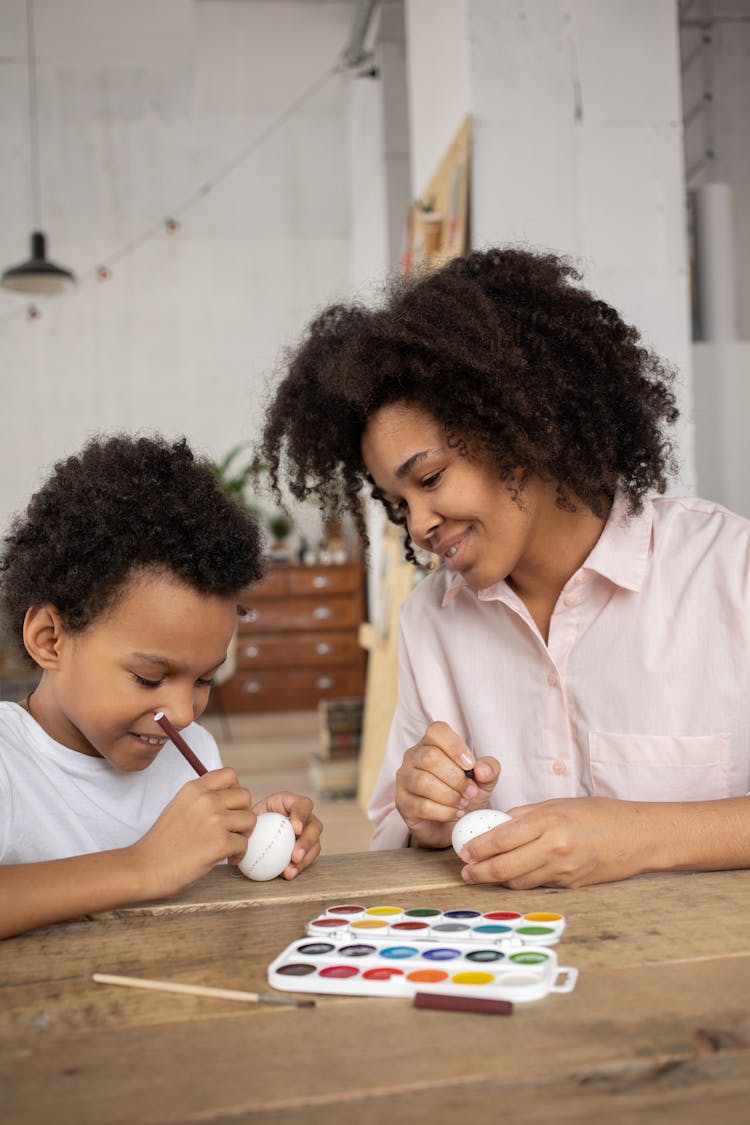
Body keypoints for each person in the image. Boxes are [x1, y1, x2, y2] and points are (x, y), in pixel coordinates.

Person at [260, 245, 750, 890]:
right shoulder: (431, 623)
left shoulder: (728, 572)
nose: (419, 525)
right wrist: (425, 816)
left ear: (522, 426)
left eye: (431, 477)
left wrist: (639, 834)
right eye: (396, 502)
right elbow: (401, 841)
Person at [0, 434, 322, 938]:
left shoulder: (193, 751)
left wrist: (242, 842)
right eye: (149, 678)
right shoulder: (7, 761)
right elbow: (158, 867)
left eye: (204, 679)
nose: (183, 712)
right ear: (50, 639)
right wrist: (144, 866)